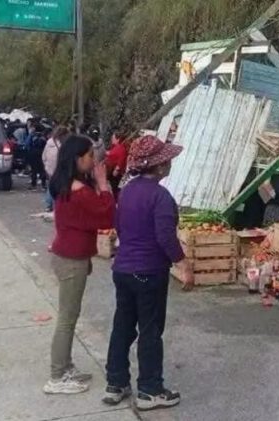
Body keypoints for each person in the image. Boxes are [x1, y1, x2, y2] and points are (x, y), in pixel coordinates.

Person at [103, 135, 194, 410]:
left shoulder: (128, 191)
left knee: (123, 326)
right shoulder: (161, 196)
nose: (169, 164)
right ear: (160, 166)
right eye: (167, 160)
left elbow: (119, 225)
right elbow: (165, 236)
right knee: (151, 330)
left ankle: (115, 383)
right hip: (148, 272)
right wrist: (183, 264)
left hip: (123, 270)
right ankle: (150, 389)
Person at [45, 135, 116, 394]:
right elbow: (107, 214)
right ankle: (56, 375)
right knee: (67, 318)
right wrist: (103, 183)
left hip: (70, 255)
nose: (93, 160)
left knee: (69, 316)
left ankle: (65, 366)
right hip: (70, 259)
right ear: (77, 159)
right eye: (89, 156)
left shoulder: (66, 184)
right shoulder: (79, 192)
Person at [42, 126, 70, 212]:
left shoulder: (49, 142)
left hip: (49, 168)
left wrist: (46, 165)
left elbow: (44, 156)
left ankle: (48, 204)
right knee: (58, 188)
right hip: (59, 169)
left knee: (51, 185)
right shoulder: (64, 144)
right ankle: (56, 206)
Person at [105, 130, 131, 198]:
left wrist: (117, 169)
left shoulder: (120, 148)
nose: (111, 140)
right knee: (112, 186)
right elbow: (110, 153)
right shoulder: (115, 147)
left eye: (113, 138)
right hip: (111, 170)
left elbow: (121, 160)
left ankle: (115, 199)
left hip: (115, 172)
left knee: (114, 187)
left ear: (118, 139)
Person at [28, 123, 50, 190]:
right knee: (42, 169)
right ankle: (43, 184)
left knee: (33, 169)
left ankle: (33, 184)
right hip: (42, 153)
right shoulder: (44, 136)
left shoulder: (32, 135)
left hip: (33, 153)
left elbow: (27, 143)